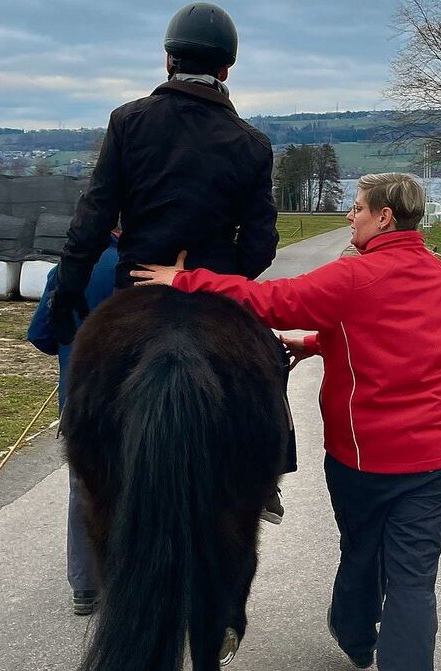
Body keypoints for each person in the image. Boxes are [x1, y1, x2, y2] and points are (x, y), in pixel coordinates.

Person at [133, 173, 441, 671]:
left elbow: (272, 301)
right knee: (413, 580)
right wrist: (313, 345)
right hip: (440, 458)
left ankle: (355, 635)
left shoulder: (354, 276)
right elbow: (395, 336)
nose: (350, 216)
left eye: (357, 208)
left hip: (367, 460)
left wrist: (184, 281)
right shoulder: (435, 272)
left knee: (361, 551)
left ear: (384, 217)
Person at [46, 1, 290, 521]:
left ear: (168, 61)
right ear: (226, 69)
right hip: (214, 296)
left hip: (135, 288)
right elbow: (261, 245)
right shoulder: (252, 144)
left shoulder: (128, 123)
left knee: (92, 389)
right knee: (269, 363)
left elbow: (91, 221)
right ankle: (267, 476)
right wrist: (221, 278)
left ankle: (85, 455)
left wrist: (65, 296)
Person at [27, 233, 118, 616]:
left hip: (81, 402)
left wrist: (70, 349)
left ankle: (85, 587)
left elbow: (41, 335)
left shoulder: (68, 269)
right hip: (136, 399)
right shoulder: (152, 269)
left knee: (85, 488)